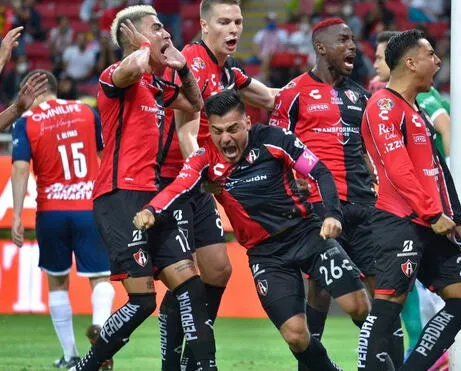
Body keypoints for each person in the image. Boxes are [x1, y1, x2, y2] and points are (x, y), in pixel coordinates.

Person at [134, 90, 371, 371]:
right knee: (295, 335)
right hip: (266, 256)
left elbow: (318, 171)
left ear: (247, 121)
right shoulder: (204, 159)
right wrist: (151, 210)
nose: (226, 139)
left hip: (307, 235)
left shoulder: (275, 139)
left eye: (233, 129)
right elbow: (179, 187)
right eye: (218, 131)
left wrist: (333, 214)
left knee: (359, 307)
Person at [71, 5, 217, 371]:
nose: (166, 33)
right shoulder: (114, 77)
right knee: (142, 302)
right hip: (119, 196)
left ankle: (202, 367)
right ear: (134, 38)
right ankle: (87, 365)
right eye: (157, 28)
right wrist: (142, 47)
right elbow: (132, 67)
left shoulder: (156, 87)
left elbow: (196, 104)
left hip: (155, 199)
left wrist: (181, 67)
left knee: (190, 286)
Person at [269, 18, 403, 370]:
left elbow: (370, 150)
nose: (352, 46)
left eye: (352, 40)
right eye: (343, 40)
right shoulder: (292, 93)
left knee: (384, 293)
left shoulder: (361, 95)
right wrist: (290, 183)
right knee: (321, 288)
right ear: (320, 46)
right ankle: (312, 365)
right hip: (320, 208)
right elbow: (275, 151)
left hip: (364, 205)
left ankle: (394, 364)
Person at [157, 0, 279, 369]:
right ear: (204, 24)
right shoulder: (191, 62)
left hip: (199, 180)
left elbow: (273, 97)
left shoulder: (228, 72)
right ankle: (180, 359)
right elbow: (185, 132)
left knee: (218, 270)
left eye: (238, 22)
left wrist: (318, 89)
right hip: (174, 179)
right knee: (188, 278)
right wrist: (206, 179)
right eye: (224, 21)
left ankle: (193, 353)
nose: (234, 29)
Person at [358, 29, 461, 371]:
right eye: (431, 55)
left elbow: (436, 169)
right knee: (387, 309)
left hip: (431, 222)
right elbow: (398, 170)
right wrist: (432, 213)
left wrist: (455, 217)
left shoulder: (415, 110)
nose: (438, 62)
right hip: (399, 223)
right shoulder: (383, 105)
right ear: (411, 62)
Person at [10, 70, 115, 370]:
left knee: (57, 282)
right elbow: (104, 153)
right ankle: (100, 336)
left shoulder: (26, 122)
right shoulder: (86, 111)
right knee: (101, 279)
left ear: (31, 89)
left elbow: (19, 169)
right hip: (89, 207)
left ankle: (70, 356)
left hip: (51, 211)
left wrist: (17, 214)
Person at [373, 30, 453, 367]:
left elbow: (446, 127)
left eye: (380, 58)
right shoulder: (389, 100)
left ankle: (439, 356)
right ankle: (429, 356)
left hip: (423, 208)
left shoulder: (426, 98)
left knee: (421, 298)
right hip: (412, 206)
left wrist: (447, 177)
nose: (377, 64)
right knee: (408, 296)